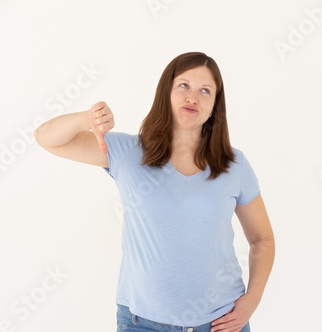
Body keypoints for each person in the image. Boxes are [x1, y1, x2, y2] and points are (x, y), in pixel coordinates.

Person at [34, 52, 275, 332]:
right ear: (166, 93)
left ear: (214, 106)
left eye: (205, 91)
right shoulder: (127, 153)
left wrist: (252, 301)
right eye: (183, 85)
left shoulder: (235, 165)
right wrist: (86, 118)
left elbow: (262, 239)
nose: (192, 97)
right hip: (142, 324)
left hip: (221, 323)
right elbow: (46, 138)